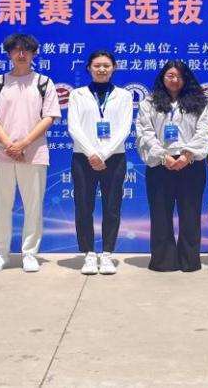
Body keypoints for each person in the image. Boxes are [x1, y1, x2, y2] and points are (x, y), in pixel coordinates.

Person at [0, 33, 62, 273]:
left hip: (34, 153)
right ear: (9, 54)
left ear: (34, 53)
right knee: (1, 205)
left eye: (27, 50)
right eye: (16, 50)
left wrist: (24, 143)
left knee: (33, 206)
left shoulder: (44, 82)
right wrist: (9, 144)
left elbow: (49, 117)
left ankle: (30, 253)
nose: (21, 54)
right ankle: (0, 254)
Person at [136, 60, 208, 272]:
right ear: (162, 77)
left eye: (179, 76)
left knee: (190, 214)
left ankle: (189, 261)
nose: (174, 80)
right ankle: (164, 261)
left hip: (191, 164)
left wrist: (187, 155)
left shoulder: (199, 102)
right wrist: (163, 156)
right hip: (160, 164)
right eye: (170, 75)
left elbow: (205, 131)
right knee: (160, 214)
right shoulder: (149, 103)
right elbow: (145, 133)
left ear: (186, 79)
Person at [67, 49, 133, 276]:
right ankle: (88, 254)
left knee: (112, 206)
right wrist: (91, 153)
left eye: (106, 65)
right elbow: (74, 127)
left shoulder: (124, 96)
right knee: (84, 207)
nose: (102, 69)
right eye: (97, 65)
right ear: (89, 68)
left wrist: (103, 153)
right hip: (83, 157)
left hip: (114, 158)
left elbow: (124, 128)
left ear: (114, 68)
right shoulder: (77, 95)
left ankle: (106, 254)